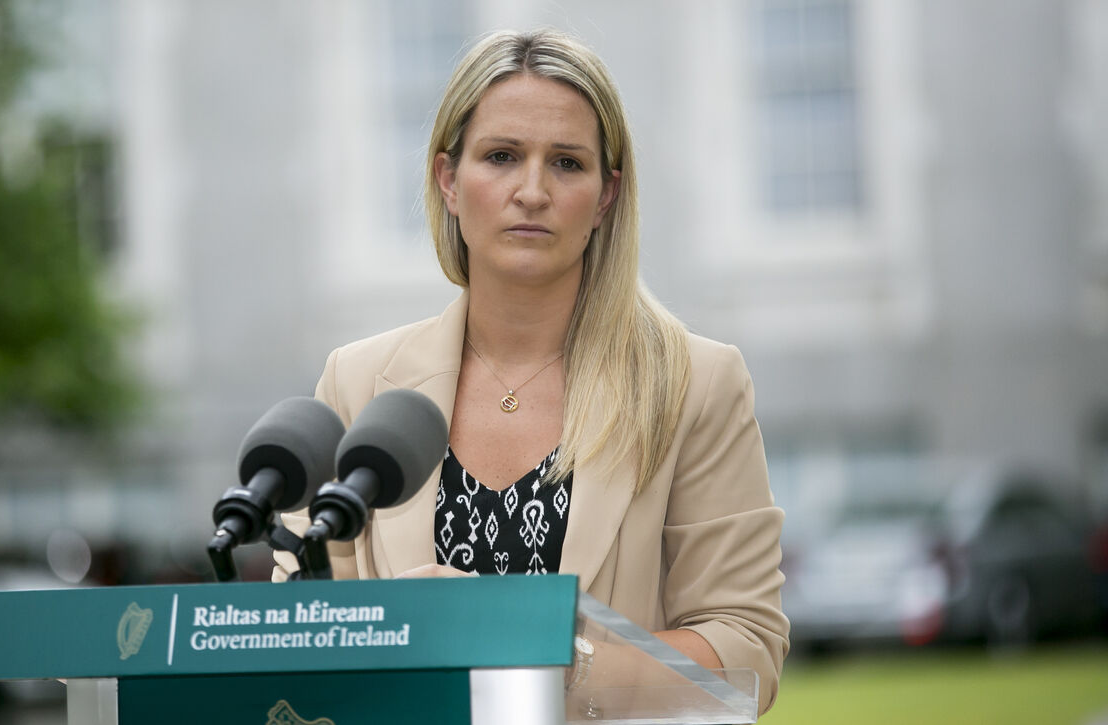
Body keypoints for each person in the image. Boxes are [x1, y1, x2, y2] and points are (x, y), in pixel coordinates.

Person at [274, 28, 789, 713]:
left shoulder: (696, 383)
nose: (533, 189)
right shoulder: (357, 382)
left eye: (568, 163)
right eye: (502, 156)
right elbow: (295, 631)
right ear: (449, 180)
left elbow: (745, 653)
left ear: (606, 197)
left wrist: (526, 645)